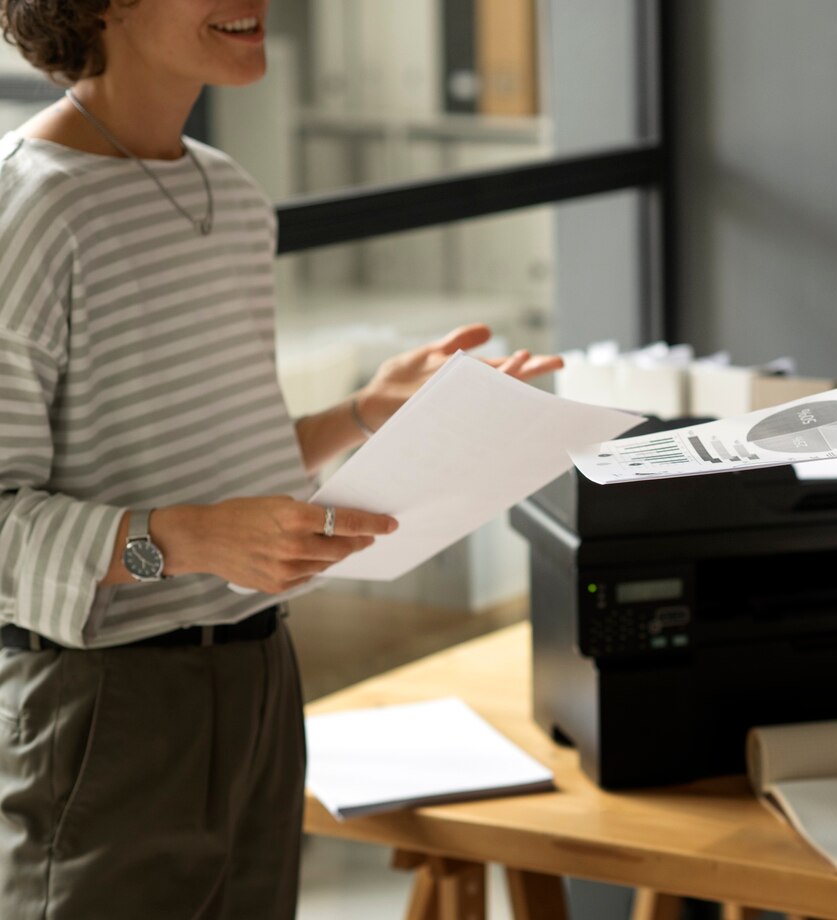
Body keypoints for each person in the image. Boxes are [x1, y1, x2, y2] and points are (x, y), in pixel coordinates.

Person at [0, 2, 561, 918]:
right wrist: (181, 542)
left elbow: (211, 464)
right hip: (106, 706)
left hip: (262, 678)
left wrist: (362, 412)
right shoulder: (26, 213)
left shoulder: (232, 196)